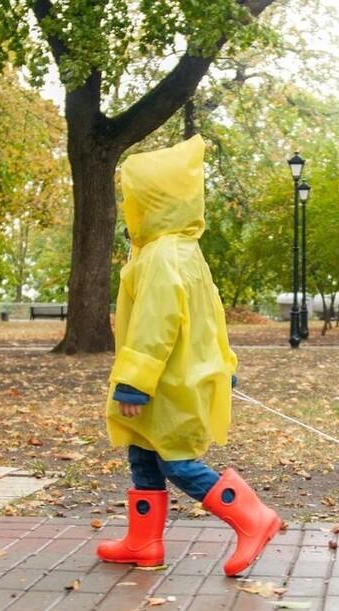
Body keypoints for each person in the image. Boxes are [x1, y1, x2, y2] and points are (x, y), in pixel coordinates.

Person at [97, 134, 282, 577]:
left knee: (175, 460)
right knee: (143, 454)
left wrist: (134, 382)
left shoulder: (161, 255)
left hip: (168, 384)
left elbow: (155, 323)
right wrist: (224, 362)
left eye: (134, 199)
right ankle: (144, 542)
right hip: (183, 375)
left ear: (151, 202)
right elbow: (210, 316)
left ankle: (253, 517)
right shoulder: (184, 251)